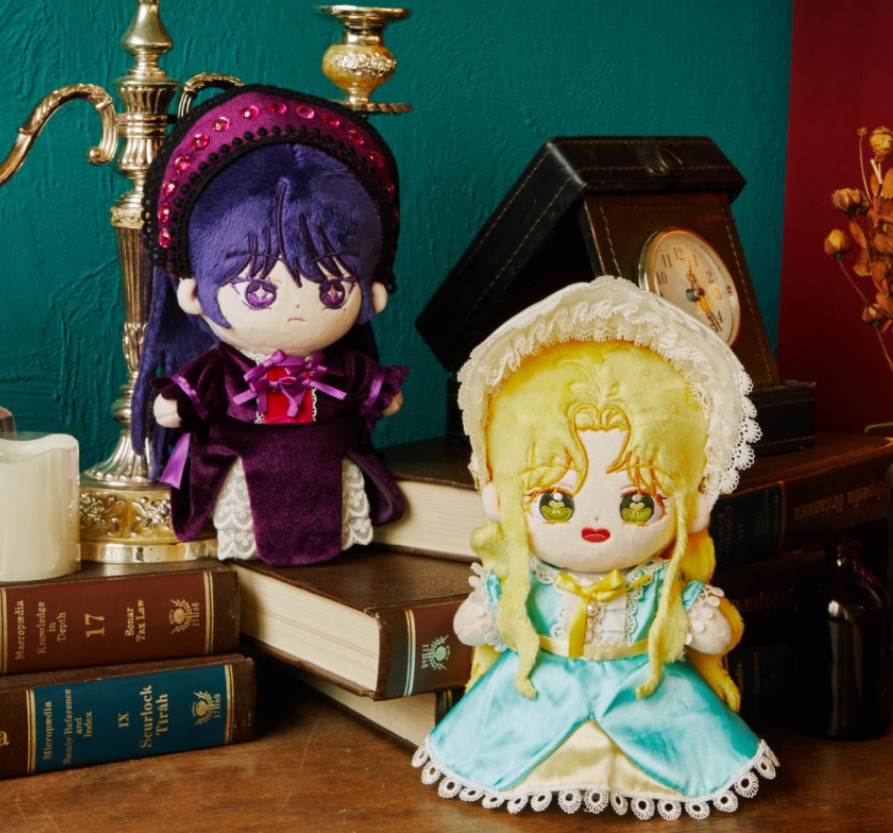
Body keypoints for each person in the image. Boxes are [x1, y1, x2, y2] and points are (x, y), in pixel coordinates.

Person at [413, 276, 777, 819]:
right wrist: (491, 614)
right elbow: (472, 629)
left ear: (693, 507)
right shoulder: (530, 579)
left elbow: (711, 632)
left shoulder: (657, 584)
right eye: (557, 502)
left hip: (646, 696)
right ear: (498, 499)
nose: (598, 524)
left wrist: (701, 621)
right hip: (537, 695)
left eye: (638, 505)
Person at [131, 85, 407, 565]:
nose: (297, 309)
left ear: (373, 293)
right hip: (243, 470)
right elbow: (186, 399)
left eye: (331, 291)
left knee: (334, 518)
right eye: (260, 291)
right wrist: (175, 404)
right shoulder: (222, 370)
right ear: (193, 294)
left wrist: (382, 395)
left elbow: (375, 391)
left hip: (328, 468)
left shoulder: (342, 365)